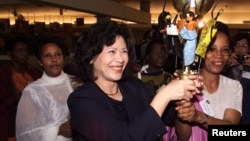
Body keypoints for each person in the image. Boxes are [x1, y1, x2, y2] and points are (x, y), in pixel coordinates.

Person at [67, 20, 203, 141]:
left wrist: (181, 97)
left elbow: (164, 117)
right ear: (91, 56)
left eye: (124, 51)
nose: (120, 59)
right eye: (112, 51)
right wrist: (166, 94)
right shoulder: (81, 101)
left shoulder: (134, 86)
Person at [174, 21, 243, 141]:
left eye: (225, 50)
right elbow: (184, 136)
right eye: (212, 49)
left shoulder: (234, 86)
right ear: (200, 51)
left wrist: (198, 117)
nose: (219, 56)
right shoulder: (188, 84)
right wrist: (183, 103)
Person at [16, 34, 76, 141]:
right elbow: (24, 133)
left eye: (58, 54)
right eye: (47, 55)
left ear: (63, 58)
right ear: (40, 62)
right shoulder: (32, 92)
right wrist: (57, 130)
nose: (54, 59)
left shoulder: (75, 83)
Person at [0, 35, 42, 141]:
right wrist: (20, 96)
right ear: (9, 54)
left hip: (34, 127)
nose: (25, 54)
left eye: (26, 50)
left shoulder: (33, 72)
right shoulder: (4, 74)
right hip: (12, 128)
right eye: (19, 51)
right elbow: (2, 103)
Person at [224, 32, 250, 124]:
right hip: (228, 109)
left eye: (244, 46)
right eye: (237, 45)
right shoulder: (226, 65)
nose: (240, 49)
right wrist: (226, 65)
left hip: (247, 110)